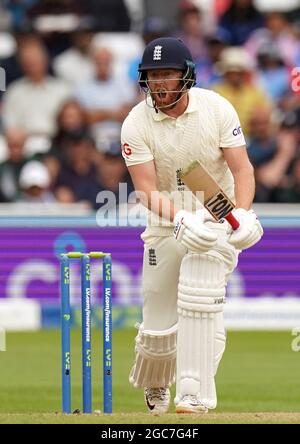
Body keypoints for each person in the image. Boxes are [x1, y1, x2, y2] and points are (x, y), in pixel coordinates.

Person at [121, 37, 263, 414]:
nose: (159, 83)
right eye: (152, 76)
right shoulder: (136, 122)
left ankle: (193, 393)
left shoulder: (216, 108)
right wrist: (180, 217)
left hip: (217, 216)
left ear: (186, 76)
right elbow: (145, 190)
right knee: (157, 322)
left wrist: (243, 214)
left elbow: (242, 169)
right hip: (166, 224)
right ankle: (156, 382)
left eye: (166, 74)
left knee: (202, 297)